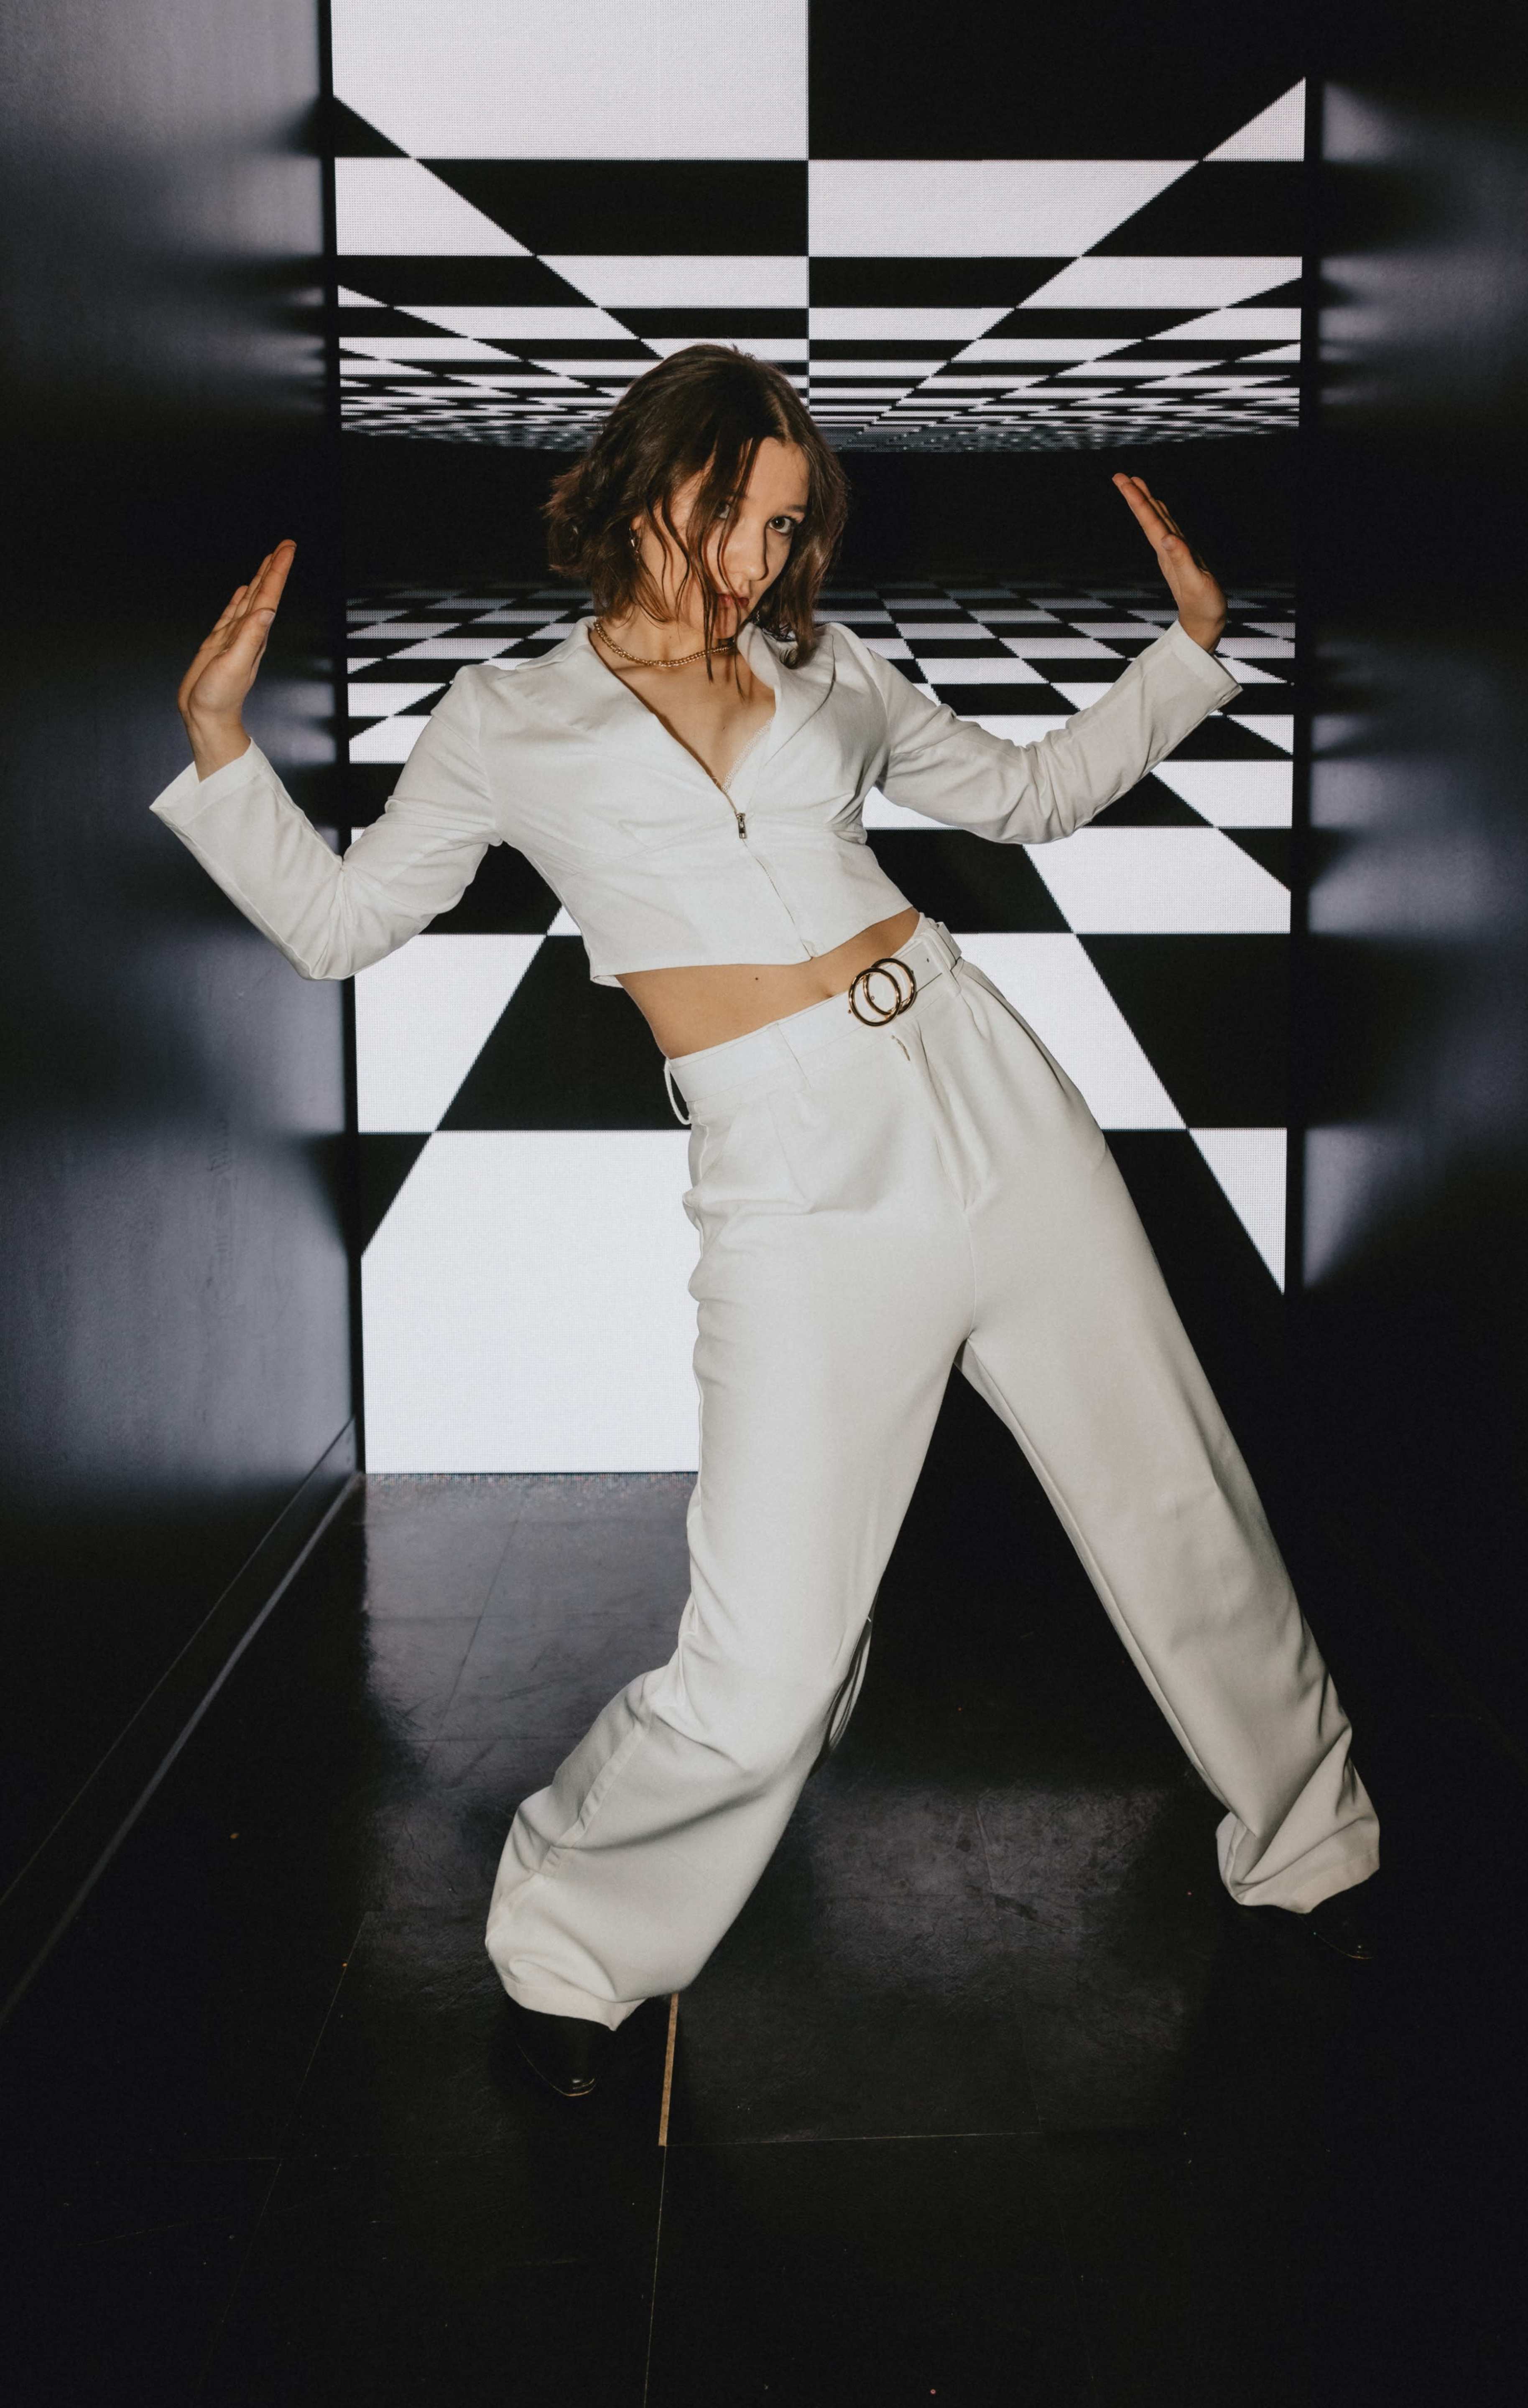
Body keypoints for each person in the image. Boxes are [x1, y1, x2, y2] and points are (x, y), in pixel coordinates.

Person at [156, 345, 1379, 2100]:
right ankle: (574, 1945)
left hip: (982, 1082)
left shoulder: (831, 666)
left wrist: (1186, 655)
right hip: (789, 1167)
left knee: (1175, 1499)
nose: (753, 555)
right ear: (648, 481)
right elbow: (349, 926)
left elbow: (1021, 798)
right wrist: (219, 758)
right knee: (773, 1653)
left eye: (784, 525)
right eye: (732, 510)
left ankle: (1314, 1843)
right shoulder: (509, 718)